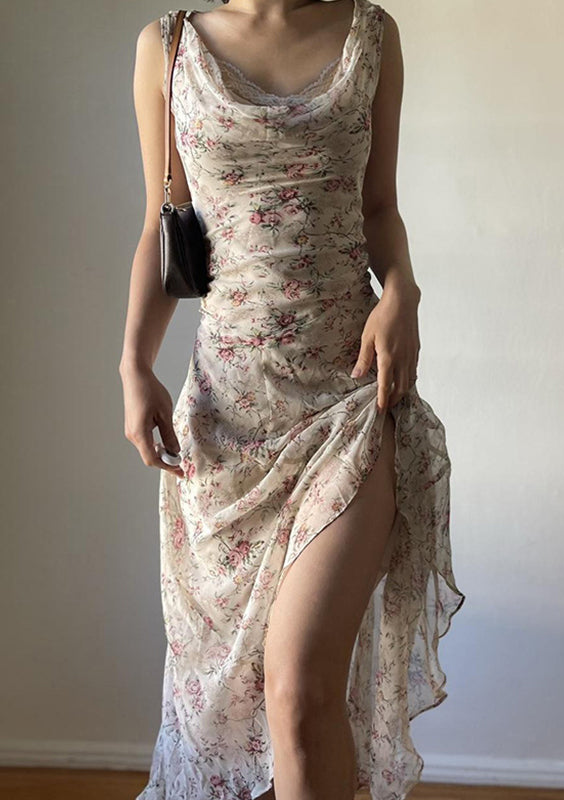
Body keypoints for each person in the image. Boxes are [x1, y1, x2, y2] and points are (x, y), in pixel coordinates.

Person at [118, 1, 466, 798]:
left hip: (351, 400)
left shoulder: (369, 33)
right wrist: (134, 365)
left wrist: (403, 292)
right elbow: (162, 223)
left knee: (302, 691)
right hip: (227, 418)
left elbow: (379, 208)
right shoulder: (168, 47)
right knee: (242, 707)